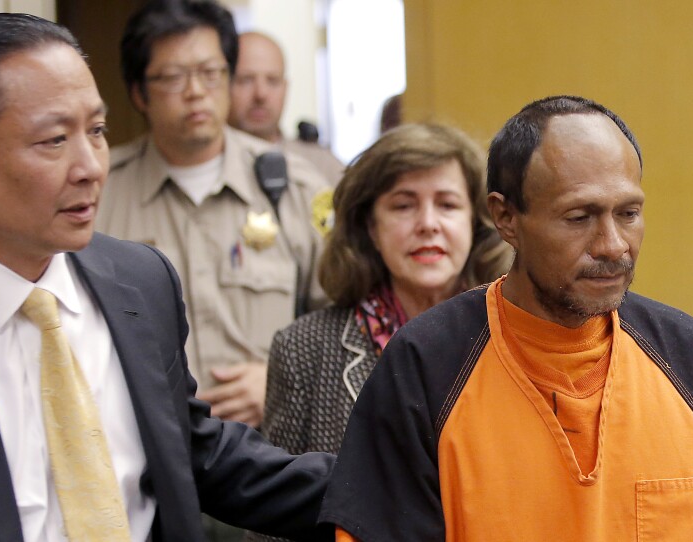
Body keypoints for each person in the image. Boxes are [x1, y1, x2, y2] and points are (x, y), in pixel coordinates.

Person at [0, 13, 335, 542]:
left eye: (95, 130)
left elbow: (194, 452)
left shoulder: (140, 281)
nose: (91, 166)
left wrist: (385, 484)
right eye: (53, 140)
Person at [319, 96, 693, 541]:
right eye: (579, 216)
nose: (612, 245)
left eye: (628, 214)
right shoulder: (427, 365)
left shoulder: (687, 354)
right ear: (506, 217)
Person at [246, 123, 511, 542]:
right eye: (403, 206)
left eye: (447, 205)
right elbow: (275, 523)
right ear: (371, 226)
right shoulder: (303, 350)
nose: (428, 224)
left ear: (477, 223)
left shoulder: (515, 339)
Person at [97, 0, 330, 430]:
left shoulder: (296, 187)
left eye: (211, 73)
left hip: (272, 454)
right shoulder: (98, 193)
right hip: (146, 452)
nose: (196, 91)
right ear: (138, 93)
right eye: (172, 77)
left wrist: (284, 379)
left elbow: (349, 316)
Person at [228, 31, 343, 185]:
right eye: (245, 80)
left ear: (285, 88)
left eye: (273, 81)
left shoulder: (323, 167)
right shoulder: (203, 165)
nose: (261, 94)